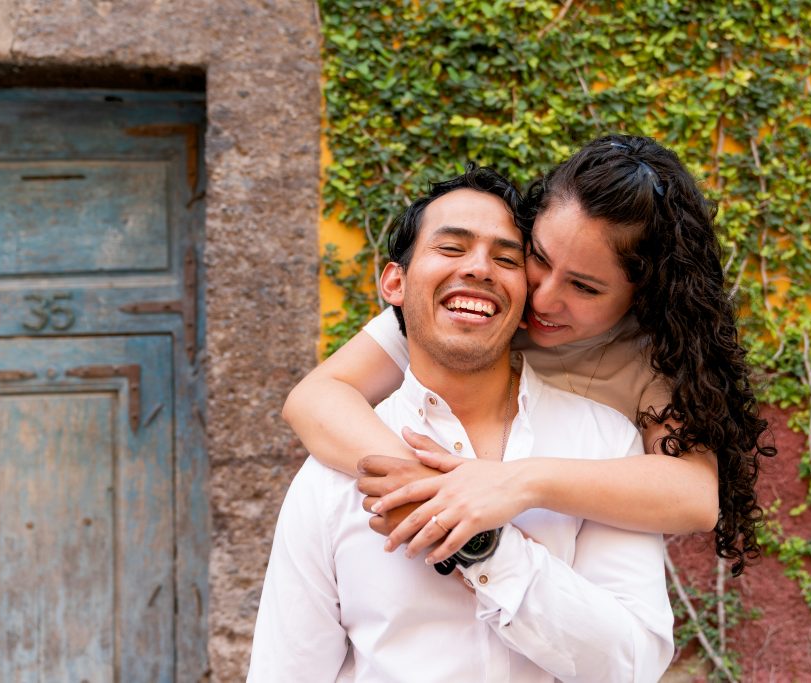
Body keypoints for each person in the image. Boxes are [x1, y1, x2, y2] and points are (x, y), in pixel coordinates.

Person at [248, 167, 674, 682]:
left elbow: (633, 666)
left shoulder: (604, 444)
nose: (478, 268)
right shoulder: (329, 478)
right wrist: (440, 499)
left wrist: (488, 545)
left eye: (506, 258)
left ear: (524, 303)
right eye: (451, 249)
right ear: (395, 283)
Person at [284, 134, 775, 575]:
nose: (541, 299)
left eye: (584, 287)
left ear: (642, 296)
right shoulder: (479, 308)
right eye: (537, 256)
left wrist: (519, 483)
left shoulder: (652, 356)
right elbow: (316, 397)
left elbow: (692, 494)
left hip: (574, 580)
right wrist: (427, 487)